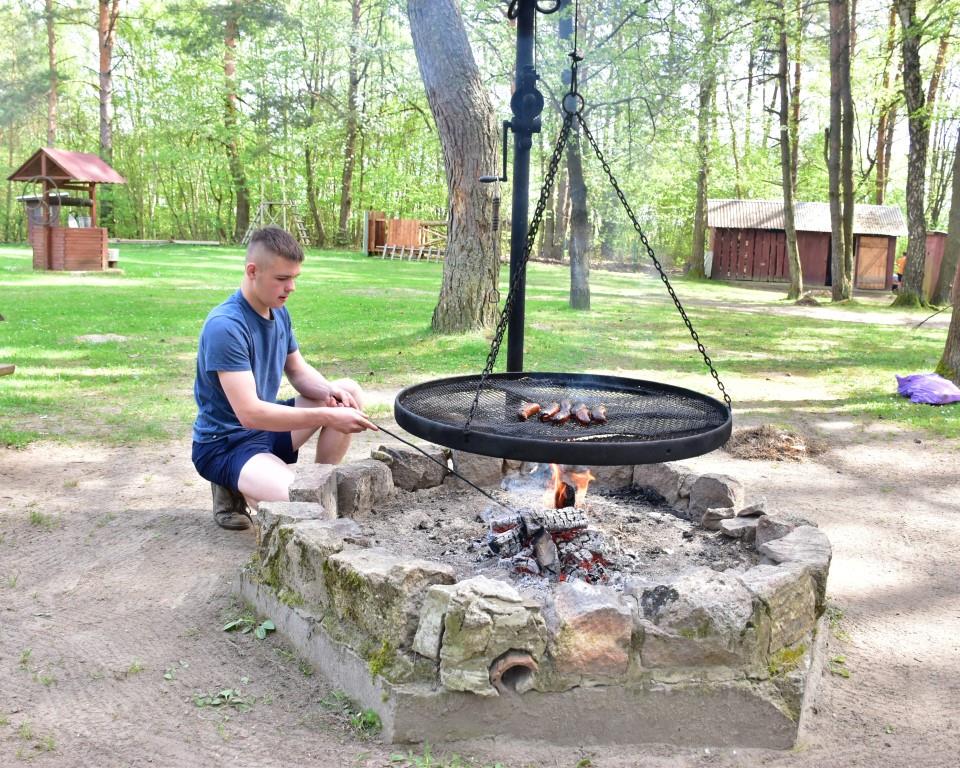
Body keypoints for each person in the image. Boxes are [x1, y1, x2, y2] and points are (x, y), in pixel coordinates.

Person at [191, 226, 377, 530]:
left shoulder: (278, 311)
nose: (291, 287)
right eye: (282, 279)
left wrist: (332, 394)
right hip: (225, 443)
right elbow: (249, 414)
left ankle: (318, 481)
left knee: (348, 391)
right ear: (252, 271)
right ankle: (234, 486)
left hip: (265, 432)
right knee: (297, 501)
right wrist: (328, 416)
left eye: (294, 278)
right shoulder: (225, 327)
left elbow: (299, 372)